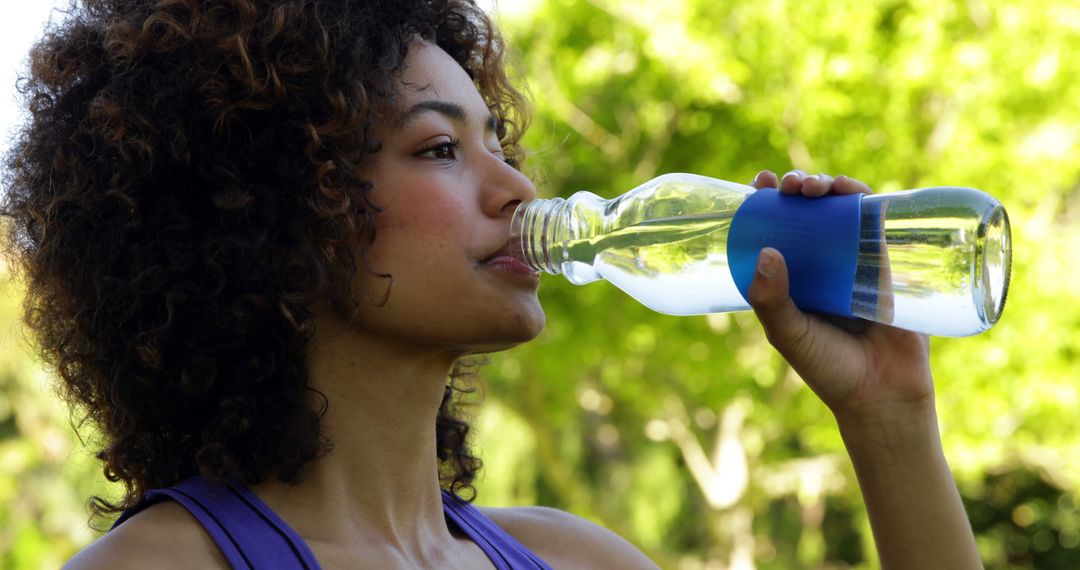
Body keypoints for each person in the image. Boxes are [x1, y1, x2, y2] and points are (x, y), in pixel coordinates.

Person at [1, 0, 981, 568]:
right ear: (262, 209)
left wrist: (889, 420)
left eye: (497, 141)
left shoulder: (576, 559)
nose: (517, 188)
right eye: (439, 147)